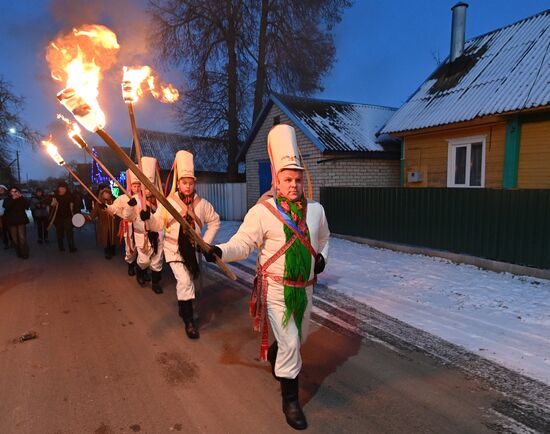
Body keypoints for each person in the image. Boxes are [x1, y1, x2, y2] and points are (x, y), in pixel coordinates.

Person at [203, 124, 329, 430]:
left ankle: (279, 356)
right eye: (287, 179)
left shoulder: (316, 210)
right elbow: (243, 243)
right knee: (289, 343)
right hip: (275, 288)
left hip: (306, 289)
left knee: (298, 340)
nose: (293, 184)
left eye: (298, 179)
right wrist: (220, 249)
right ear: (277, 179)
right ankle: (291, 401)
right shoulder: (262, 212)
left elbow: (325, 238)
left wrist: (323, 256)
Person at [148, 150, 220, 338]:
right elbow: (157, 224)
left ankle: (184, 307)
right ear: (178, 183)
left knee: (189, 283)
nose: (188, 187)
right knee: (186, 282)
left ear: (194, 183)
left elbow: (215, 222)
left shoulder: (202, 204)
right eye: (184, 182)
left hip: (193, 252)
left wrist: (206, 243)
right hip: (174, 250)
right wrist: (147, 218)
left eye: (191, 183)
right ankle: (189, 321)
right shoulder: (168, 203)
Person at [124, 157, 165, 293]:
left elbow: (162, 218)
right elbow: (127, 217)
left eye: (150, 186)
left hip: (157, 235)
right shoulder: (135, 199)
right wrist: (130, 207)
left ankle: (155, 283)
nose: (148, 189)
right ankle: (140, 272)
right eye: (145, 186)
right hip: (142, 236)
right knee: (144, 260)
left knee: (157, 261)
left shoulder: (160, 200)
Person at [108, 171, 139, 276]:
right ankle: (131, 264)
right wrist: (107, 207)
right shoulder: (123, 198)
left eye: (139, 185)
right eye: (134, 185)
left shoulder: (144, 198)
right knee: (130, 247)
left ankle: (141, 269)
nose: (137, 188)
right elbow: (114, 208)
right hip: (129, 226)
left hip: (142, 227)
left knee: (143, 248)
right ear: (130, 186)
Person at [89, 187, 120, 259]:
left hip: (113, 223)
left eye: (108, 193)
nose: (107, 195)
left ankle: (113, 250)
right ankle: (107, 252)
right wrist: (88, 218)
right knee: (107, 238)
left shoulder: (115, 201)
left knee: (113, 237)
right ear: (102, 194)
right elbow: (94, 213)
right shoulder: (99, 203)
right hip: (104, 224)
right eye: (105, 193)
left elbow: (119, 210)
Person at [2, 186, 30, 259]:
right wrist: (13, 199)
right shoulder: (7, 199)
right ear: (10, 192)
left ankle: (25, 253)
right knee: (14, 239)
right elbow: (6, 206)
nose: (14, 193)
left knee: (22, 238)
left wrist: (21, 197)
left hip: (21, 220)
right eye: (12, 191)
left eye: (15, 191)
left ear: (18, 192)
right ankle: (19, 252)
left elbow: (27, 206)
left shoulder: (21, 199)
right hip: (11, 221)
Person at [50, 181, 77, 252]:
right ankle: (61, 246)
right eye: (61, 188)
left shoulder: (69, 196)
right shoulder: (55, 196)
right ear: (58, 188)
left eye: (64, 188)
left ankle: (71, 247)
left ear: (66, 188)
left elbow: (75, 205)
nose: (62, 189)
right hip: (58, 218)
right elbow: (51, 206)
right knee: (59, 233)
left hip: (68, 217)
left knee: (69, 232)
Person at [0, 184, 10, 249]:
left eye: (1, 189)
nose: (0, 190)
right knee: (3, 230)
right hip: (0, 217)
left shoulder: (8, 197)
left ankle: (12, 241)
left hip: (7, 215)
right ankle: (6, 243)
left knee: (9, 229)